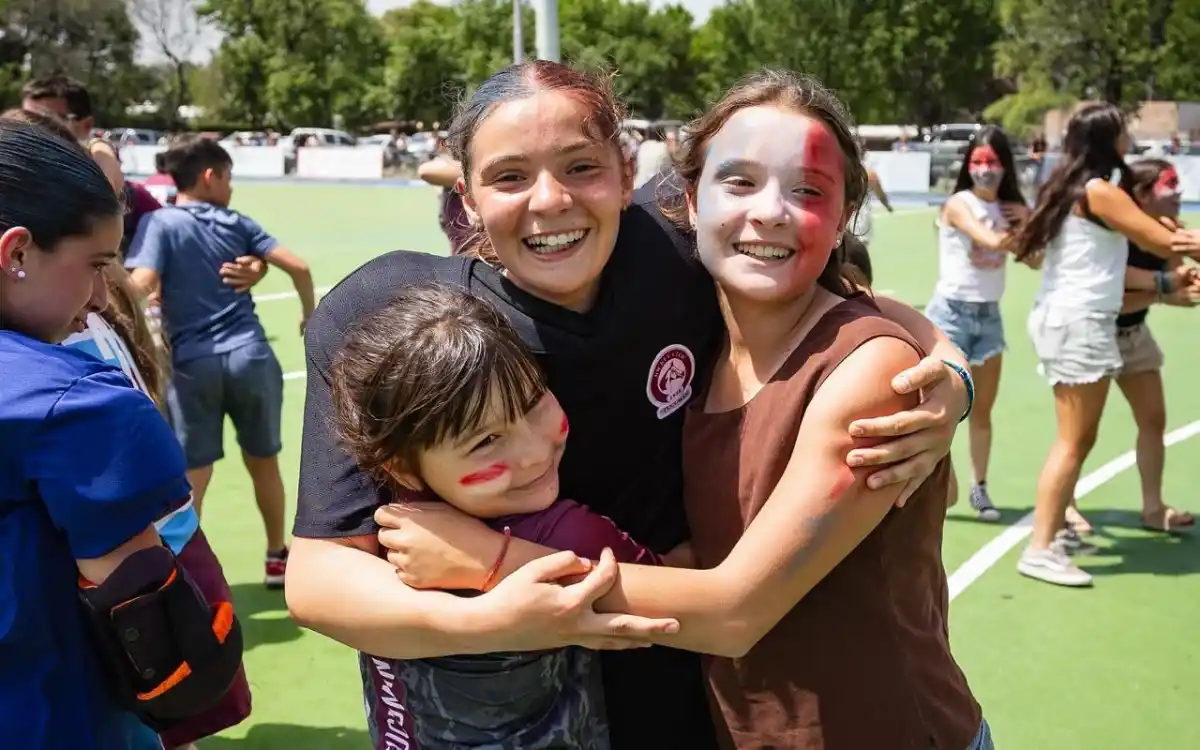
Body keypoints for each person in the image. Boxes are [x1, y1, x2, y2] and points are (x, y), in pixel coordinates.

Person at [288, 61, 975, 750]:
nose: (550, 201)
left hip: (683, 687)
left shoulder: (680, 254)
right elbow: (321, 579)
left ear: (624, 172)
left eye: (580, 166)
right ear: (464, 198)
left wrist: (949, 368)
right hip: (494, 707)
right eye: (509, 177)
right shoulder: (398, 318)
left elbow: (846, 300)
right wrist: (498, 619)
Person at [331, 283, 694, 747]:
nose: (533, 452)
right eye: (485, 441)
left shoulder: (380, 508)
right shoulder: (567, 537)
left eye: (530, 404)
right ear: (401, 464)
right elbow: (678, 601)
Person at [0, 118, 243, 750]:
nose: (104, 297)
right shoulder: (80, 408)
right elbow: (163, 651)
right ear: (16, 252)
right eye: (97, 264)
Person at [1008, 103, 1200, 587]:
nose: (1129, 137)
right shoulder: (1100, 192)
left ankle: (1052, 537)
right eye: (1122, 131)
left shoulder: (1079, 188)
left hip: (1070, 320)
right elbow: (1163, 242)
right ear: (1108, 139)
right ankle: (1041, 547)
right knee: (1075, 441)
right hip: (1081, 322)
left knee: (1079, 438)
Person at [125, 135, 315, 588]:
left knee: (193, 473)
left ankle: (184, 567)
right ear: (210, 176)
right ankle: (276, 557)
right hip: (250, 356)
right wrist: (309, 314)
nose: (230, 187)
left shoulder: (161, 225)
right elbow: (300, 267)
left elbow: (143, 281)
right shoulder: (237, 222)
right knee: (264, 460)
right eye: (227, 177)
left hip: (191, 365)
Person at [926, 126, 1030, 520]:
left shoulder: (1010, 208)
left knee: (982, 411)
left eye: (992, 162)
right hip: (950, 315)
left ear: (1006, 166)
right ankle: (936, 485)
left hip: (989, 318)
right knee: (944, 410)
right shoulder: (958, 204)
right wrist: (1032, 224)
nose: (985, 170)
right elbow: (987, 240)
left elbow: (1034, 259)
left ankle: (979, 488)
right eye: (978, 162)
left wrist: (1027, 218)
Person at [1111, 158, 1198, 532]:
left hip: (1134, 335)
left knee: (1153, 420)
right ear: (1143, 195)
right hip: (1094, 334)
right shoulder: (1113, 236)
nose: (1179, 191)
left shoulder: (1167, 231)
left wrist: (1188, 279)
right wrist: (1164, 295)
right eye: (1169, 184)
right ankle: (1067, 509)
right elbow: (1112, 300)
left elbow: (1180, 272)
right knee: (1080, 434)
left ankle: (1152, 508)